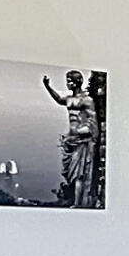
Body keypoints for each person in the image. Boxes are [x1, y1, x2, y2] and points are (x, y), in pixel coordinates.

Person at [43, 70, 104, 209]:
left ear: (77, 82)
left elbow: (92, 121)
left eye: (69, 81)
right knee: (71, 173)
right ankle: (75, 201)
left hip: (82, 141)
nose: (67, 84)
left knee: (79, 173)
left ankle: (78, 203)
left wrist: (84, 131)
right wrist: (48, 86)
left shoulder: (87, 100)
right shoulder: (70, 99)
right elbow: (59, 99)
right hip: (72, 140)